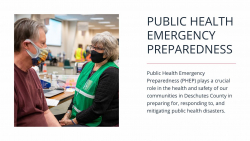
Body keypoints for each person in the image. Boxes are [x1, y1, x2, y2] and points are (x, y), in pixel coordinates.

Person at [56, 31, 119, 127]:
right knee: (46, 122)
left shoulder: (111, 73)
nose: (93, 50)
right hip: (77, 115)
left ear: (108, 52)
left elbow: (98, 109)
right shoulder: (87, 65)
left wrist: (72, 122)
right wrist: (67, 115)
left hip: (96, 121)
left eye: (98, 48)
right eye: (92, 46)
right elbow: (77, 94)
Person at [14, 18, 61, 127]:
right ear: (26, 45)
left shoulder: (32, 72)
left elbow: (46, 112)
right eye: (42, 43)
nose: (46, 49)